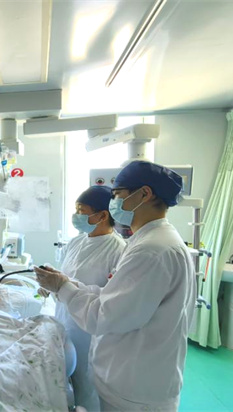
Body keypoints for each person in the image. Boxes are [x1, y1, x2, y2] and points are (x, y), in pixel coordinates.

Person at [35, 161, 196, 412]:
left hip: (135, 387)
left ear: (144, 194)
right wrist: (66, 284)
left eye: (118, 195)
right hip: (132, 377)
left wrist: (64, 288)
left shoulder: (151, 250)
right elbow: (114, 296)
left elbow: (105, 315)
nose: (114, 203)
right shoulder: (151, 241)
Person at [55, 185, 126, 412]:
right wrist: (51, 285)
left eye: (81, 210)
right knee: (65, 380)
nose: (76, 216)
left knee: (88, 385)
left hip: (90, 332)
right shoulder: (76, 242)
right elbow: (64, 276)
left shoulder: (118, 250)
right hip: (64, 320)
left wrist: (66, 286)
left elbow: (111, 296)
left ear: (102, 215)